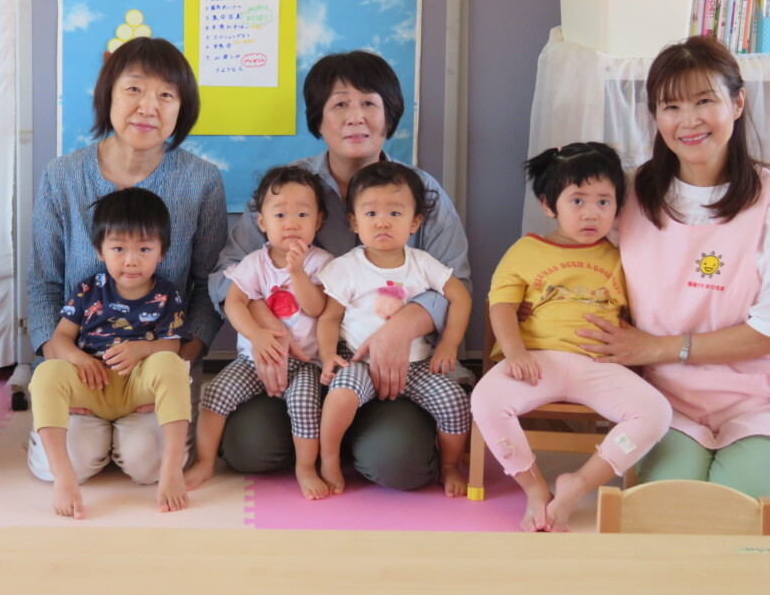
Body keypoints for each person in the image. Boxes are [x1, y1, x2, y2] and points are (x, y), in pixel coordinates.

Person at [211, 50, 471, 490]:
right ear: (318, 120)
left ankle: (366, 439)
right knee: (248, 449)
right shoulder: (286, 187)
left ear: (389, 114)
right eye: (340, 104)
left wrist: (404, 324)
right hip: (302, 366)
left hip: (395, 369)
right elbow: (227, 274)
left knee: (398, 464)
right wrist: (263, 326)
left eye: (369, 103)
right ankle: (332, 441)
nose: (356, 117)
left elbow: (456, 282)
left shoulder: (421, 191)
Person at [27, 37, 226, 486]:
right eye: (134, 89)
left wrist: (179, 364)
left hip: (155, 363)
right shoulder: (62, 176)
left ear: (182, 109)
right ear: (109, 96)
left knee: (149, 466)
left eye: (166, 95)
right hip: (79, 360)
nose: (148, 106)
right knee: (69, 465)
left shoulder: (202, 181)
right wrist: (60, 359)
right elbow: (42, 282)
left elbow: (207, 284)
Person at [578, 37, 770, 499]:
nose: (688, 121)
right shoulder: (628, 195)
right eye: (671, 106)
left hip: (758, 402)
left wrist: (657, 347)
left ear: (737, 103)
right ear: (655, 116)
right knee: (669, 505)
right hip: (660, 404)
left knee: (739, 508)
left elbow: (765, 332)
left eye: (705, 101)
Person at [471, 143, 672, 532]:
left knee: (656, 413)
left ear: (618, 207)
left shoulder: (622, 256)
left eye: (603, 201)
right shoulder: (526, 250)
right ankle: (534, 488)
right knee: (485, 400)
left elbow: (643, 310)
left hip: (598, 365)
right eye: (577, 200)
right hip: (535, 361)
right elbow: (501, 306)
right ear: (549, 205)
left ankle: (579, 483)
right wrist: (513, 352)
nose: (591, 213)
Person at [29, 188, 191, 517]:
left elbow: (172, 345)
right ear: (100, 250)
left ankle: (172, 470)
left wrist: (140, 349)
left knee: (170, 365)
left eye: (144, 249)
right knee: (47, 371)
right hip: (92, 385)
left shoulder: (166, 294)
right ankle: (63, 477)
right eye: (118, 248)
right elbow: (60, 338)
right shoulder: (90, 289)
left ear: (162, 252)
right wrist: (78, 358)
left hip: (135, 391)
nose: (131, 260)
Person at [317, 162, 472, 497]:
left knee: (456, 402)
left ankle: (448, 465)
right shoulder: (345, 267)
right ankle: (328, 458)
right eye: (371, 213)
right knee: (340, 394)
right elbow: (329, 318)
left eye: (395, 213)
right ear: (354, 222)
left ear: (415, 222)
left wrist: (449, 344)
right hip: (360, 363)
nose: (383, 221)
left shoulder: (423, 264)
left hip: (417, 366)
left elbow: (460, 299)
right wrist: (328, 354)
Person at [185, 165, 333, 499]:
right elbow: (235, 302)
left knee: (304, 403)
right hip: (255, 358)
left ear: (318, 221)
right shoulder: (254, 262)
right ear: (262, 223)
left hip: (305, 362)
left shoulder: (321, 263)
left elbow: (317, 308)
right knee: (216, 393)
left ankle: (305, 468)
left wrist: (297, 273)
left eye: (302, 214)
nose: (291, 223)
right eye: (280, 214)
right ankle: (205, 460)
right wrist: (257, 335)